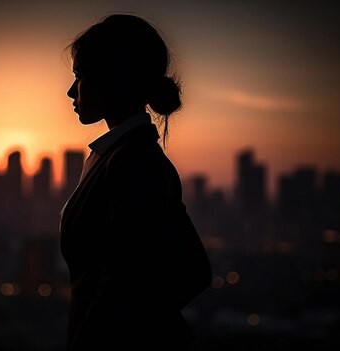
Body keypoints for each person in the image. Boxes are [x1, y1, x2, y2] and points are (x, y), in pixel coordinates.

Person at [59, 14, 212, 350]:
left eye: (79, 76)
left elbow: (186, 271)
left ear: (110, 79)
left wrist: (119, 332)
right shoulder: (122, 157)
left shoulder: (133, 162)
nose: (71, 91)